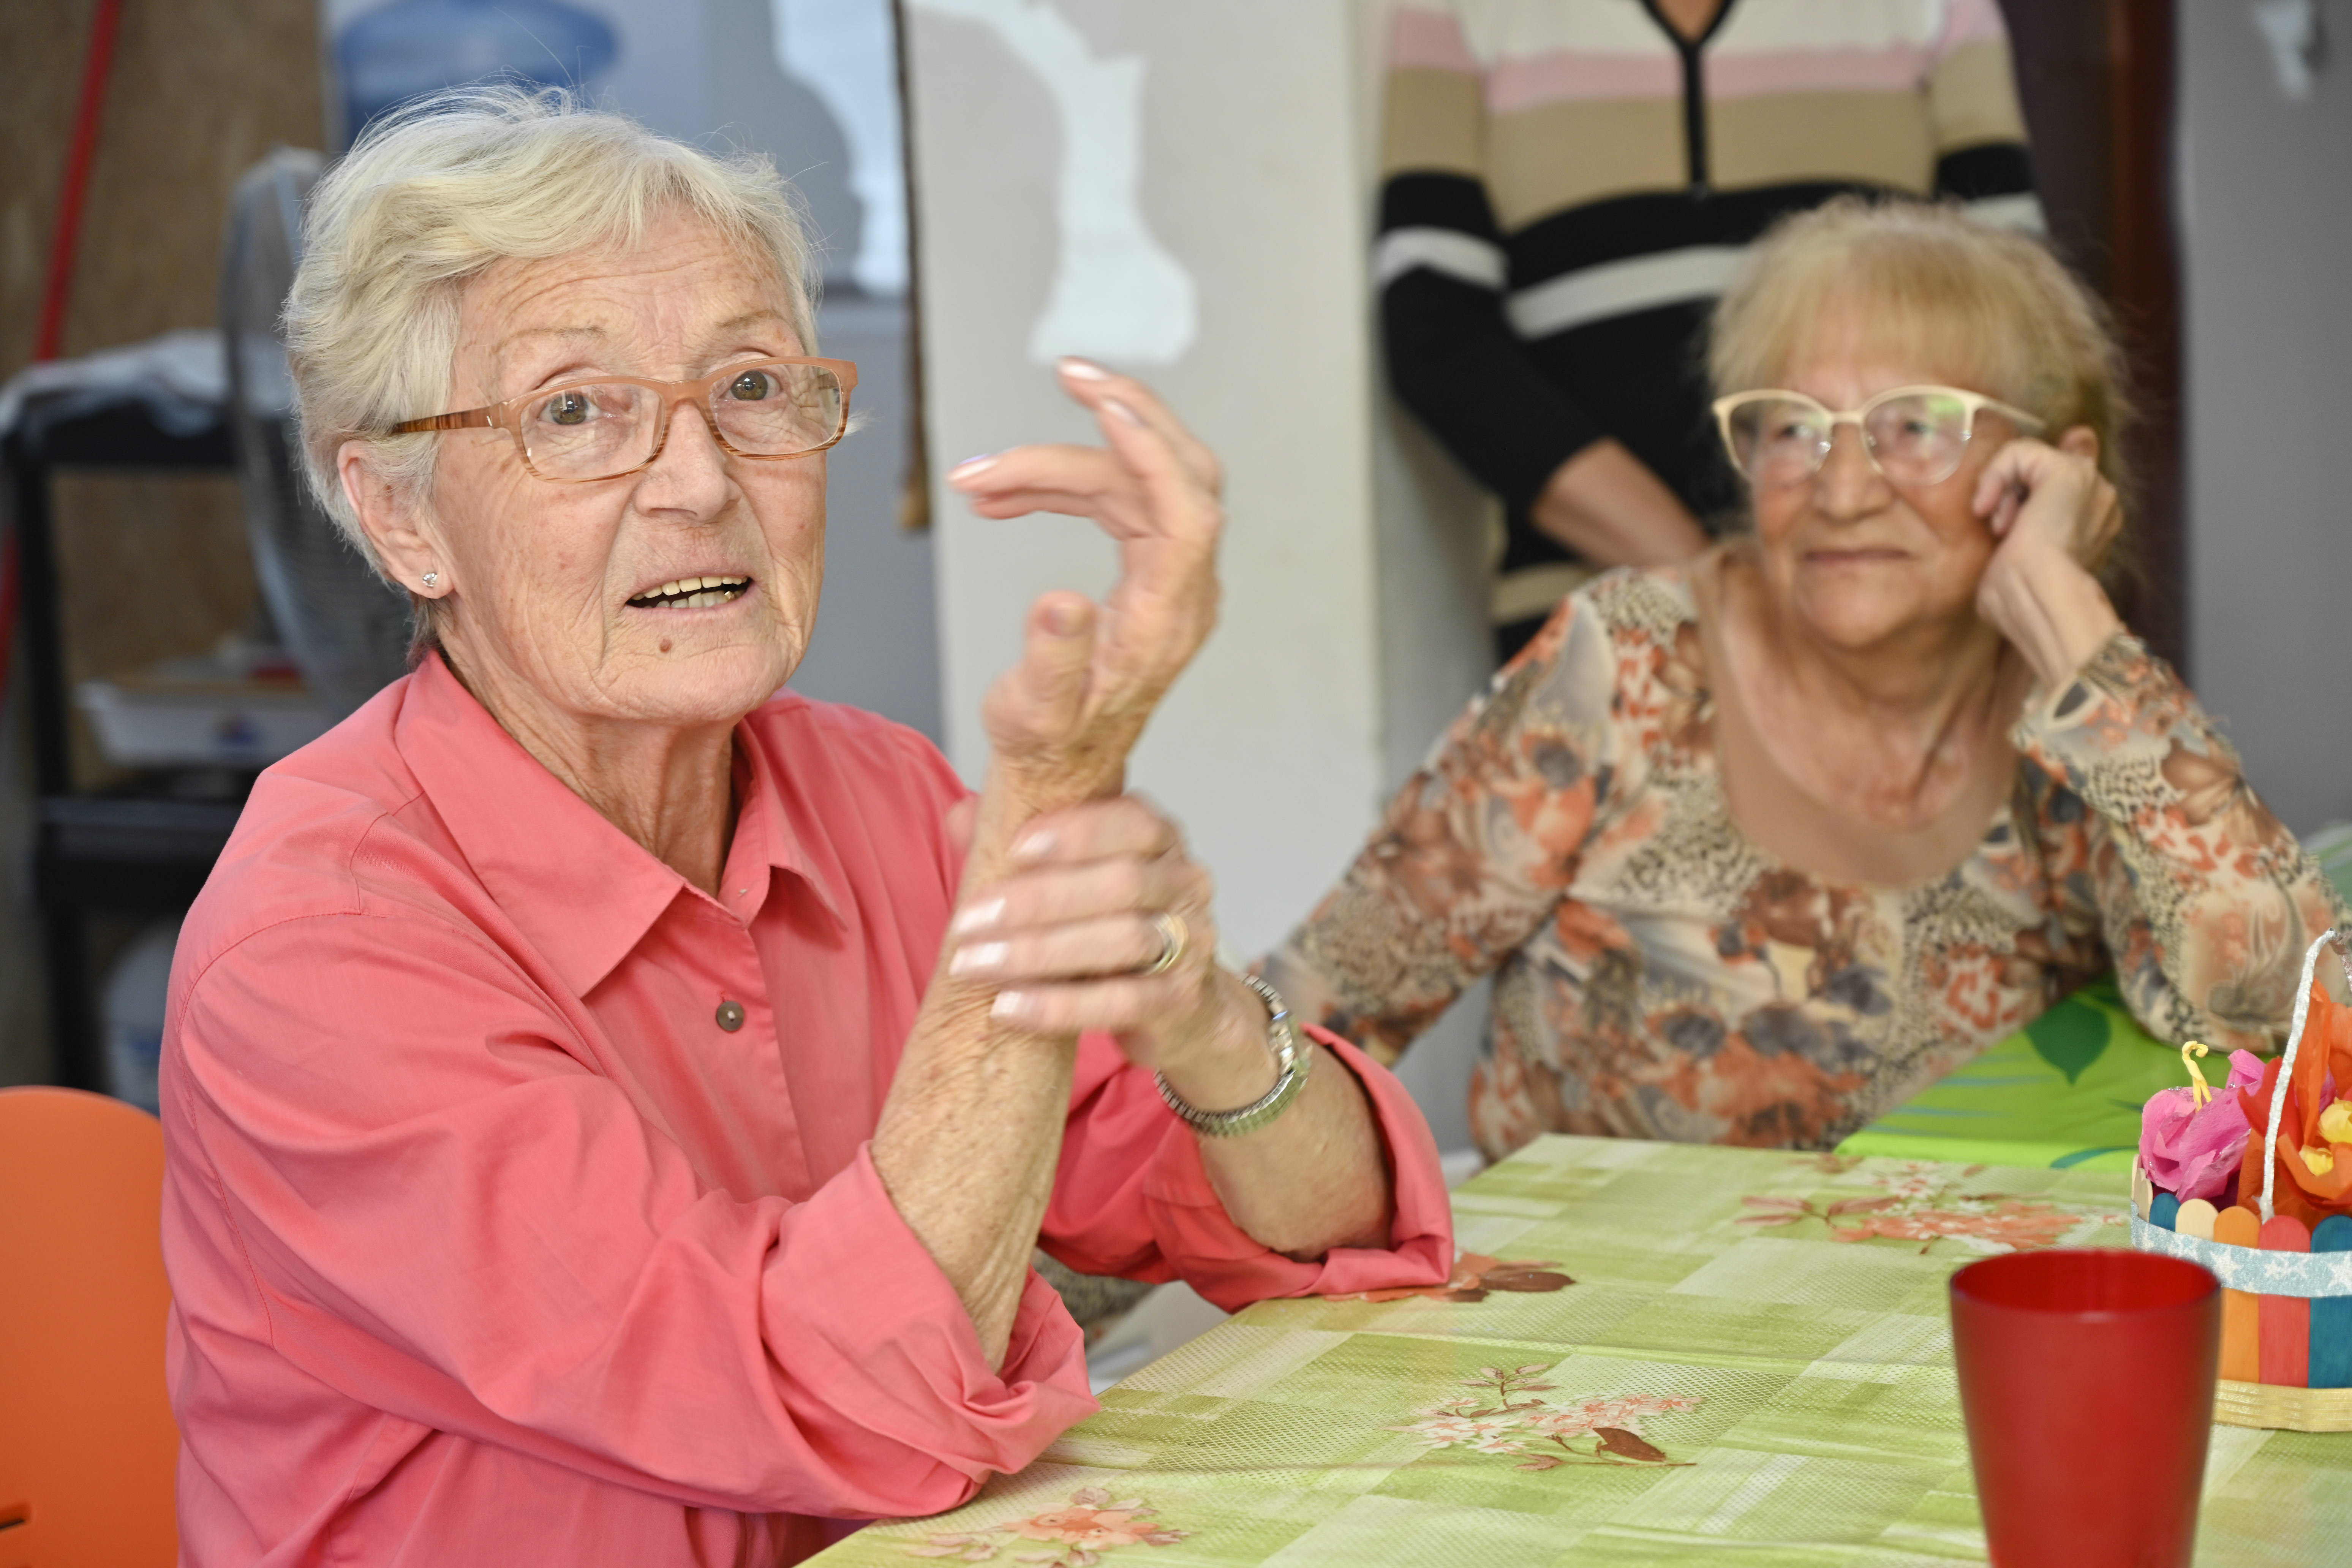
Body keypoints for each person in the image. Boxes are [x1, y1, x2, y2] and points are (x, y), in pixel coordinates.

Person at [157, 89, 1451, 1566]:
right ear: (399, 516)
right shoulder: (316, 949)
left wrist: (1208, 1021)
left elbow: (1323, 1238)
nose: (704, 483)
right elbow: (817, 1397)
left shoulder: (874, 797)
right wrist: (1037, 872)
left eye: (755, 389)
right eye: (575, 412)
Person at [1269, 198, 2342, 1158]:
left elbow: (2287, 1023)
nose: (1838, 491)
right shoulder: (1633, 660)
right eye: (1791, 428)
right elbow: (1319, 1006)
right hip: (1601, 1345)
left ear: (2051, 468)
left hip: (1931, 1346)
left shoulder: (2075, 715)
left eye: (1916, 427)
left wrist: (2068, 619)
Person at [1377, 0, 2043, 661]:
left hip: (1893, 611)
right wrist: (1709, 581)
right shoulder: (1462, 12)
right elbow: (1435, 336)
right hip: (1599, 626)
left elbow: (2022, 320)